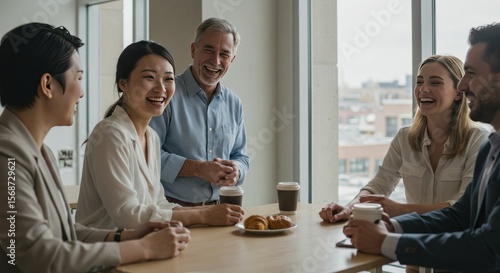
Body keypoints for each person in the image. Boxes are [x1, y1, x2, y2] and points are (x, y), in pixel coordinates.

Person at [0, 23, 190, 273]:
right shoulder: (8, 156)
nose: (81, 92)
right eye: (78, 78)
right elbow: (39, 256)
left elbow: (63, 232)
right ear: (48, 85)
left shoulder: (40, 150)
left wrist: (125, 237)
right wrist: (145, 248)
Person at [343, 23, 500, 273]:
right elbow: (461, 214)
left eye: (471, 73)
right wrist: (392, 226)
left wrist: (389, 240)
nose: (463, 85)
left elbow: (489, 248)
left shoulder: (479, 140)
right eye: (419, 82)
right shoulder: (491, 150)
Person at [76, 40, 244, 229]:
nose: (161, 88)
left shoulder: (151, 137)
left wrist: (211, 213)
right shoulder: (110, 135)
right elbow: (127, 214)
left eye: (168, 79)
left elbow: (158, 204)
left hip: (143, 248)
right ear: (123, 83)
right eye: (149, 78)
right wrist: (203, 215)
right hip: (106, 253)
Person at [320, 55, 490, 223]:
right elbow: (379, 185)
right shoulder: (405, 137)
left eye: (435, 82)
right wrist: (350, 208)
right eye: (419, 82)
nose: (423, 89)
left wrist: (401, 210)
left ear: (458, 93)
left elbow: (464, 207)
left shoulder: (478, 139)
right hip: (412, 236)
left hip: (456, 240)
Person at [149, 17, 250, 206]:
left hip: (222, 210)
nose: (216, 61)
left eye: (225, 54)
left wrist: (237, 170)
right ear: (194, 50)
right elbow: (148, 155)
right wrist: (198, 169)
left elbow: (241, 155)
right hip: (173, 212)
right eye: (209, 50)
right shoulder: (166, 94)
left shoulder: (234, 103)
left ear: (232, 60)